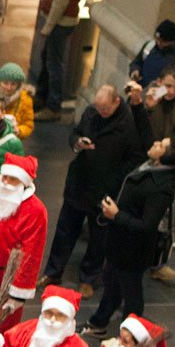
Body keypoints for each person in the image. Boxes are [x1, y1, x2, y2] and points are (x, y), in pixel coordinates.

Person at [43, 85, 147, 296]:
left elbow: (135, 158)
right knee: (65, 231)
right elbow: (75, 133)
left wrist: (115, 178)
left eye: (105, 108)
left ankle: (89, 277)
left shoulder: (127, 124)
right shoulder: (91, 112)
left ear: (116, 102)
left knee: (98, 238)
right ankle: (53, 272)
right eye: (98, 107)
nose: (100, 112)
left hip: (105, 190)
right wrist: (78, 143)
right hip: (79, 183)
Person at [82, 136, 175, 335]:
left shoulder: (162, 186)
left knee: (132, 294)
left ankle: (130, 335)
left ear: (166, 156)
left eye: (160, 146)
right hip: (119, 243)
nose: (154, 143)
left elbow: (147, 225)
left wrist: (117, 215)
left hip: (133, 250)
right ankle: (99, 323)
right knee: (111, 285)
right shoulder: (151, 166)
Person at [36, 0, 94, 115]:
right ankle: (42, 97)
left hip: (60, 23)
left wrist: (48, 26)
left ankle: (53, 106)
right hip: (65, 20)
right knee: (49, 59)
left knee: (54, 64)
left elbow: (60, 2)